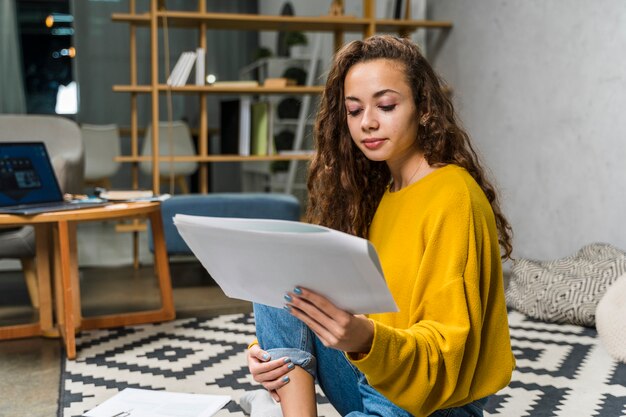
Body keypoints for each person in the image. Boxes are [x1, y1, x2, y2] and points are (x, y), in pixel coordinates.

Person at [245, 34, 515, 417]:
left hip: (437, 402)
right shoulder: (382, 195)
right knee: (276, 266)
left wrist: (365, 338)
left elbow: (449, 352)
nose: (368, 123)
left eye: (386, 105)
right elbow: (366, 309)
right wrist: (269, 355)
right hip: (375, 375)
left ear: (423, 108)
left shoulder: (453, 195)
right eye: (354, 111)